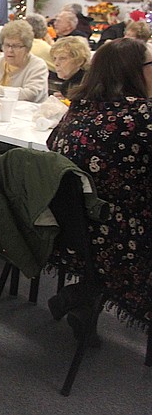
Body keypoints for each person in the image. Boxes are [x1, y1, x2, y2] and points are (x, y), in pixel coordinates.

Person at [47, 37, 152, 331]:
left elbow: (51, 145)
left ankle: (86, 294)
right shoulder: (143, 117)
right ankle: (88, 293)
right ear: (135, 72)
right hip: (119, 240)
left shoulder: (79, 108)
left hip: (69, 231)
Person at [0, 20, 49, 102]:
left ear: (27, 48)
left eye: (16, 46)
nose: (10, 50)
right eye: (7, 45)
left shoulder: (38, 66)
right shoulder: (0, 61)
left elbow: (31, 94)